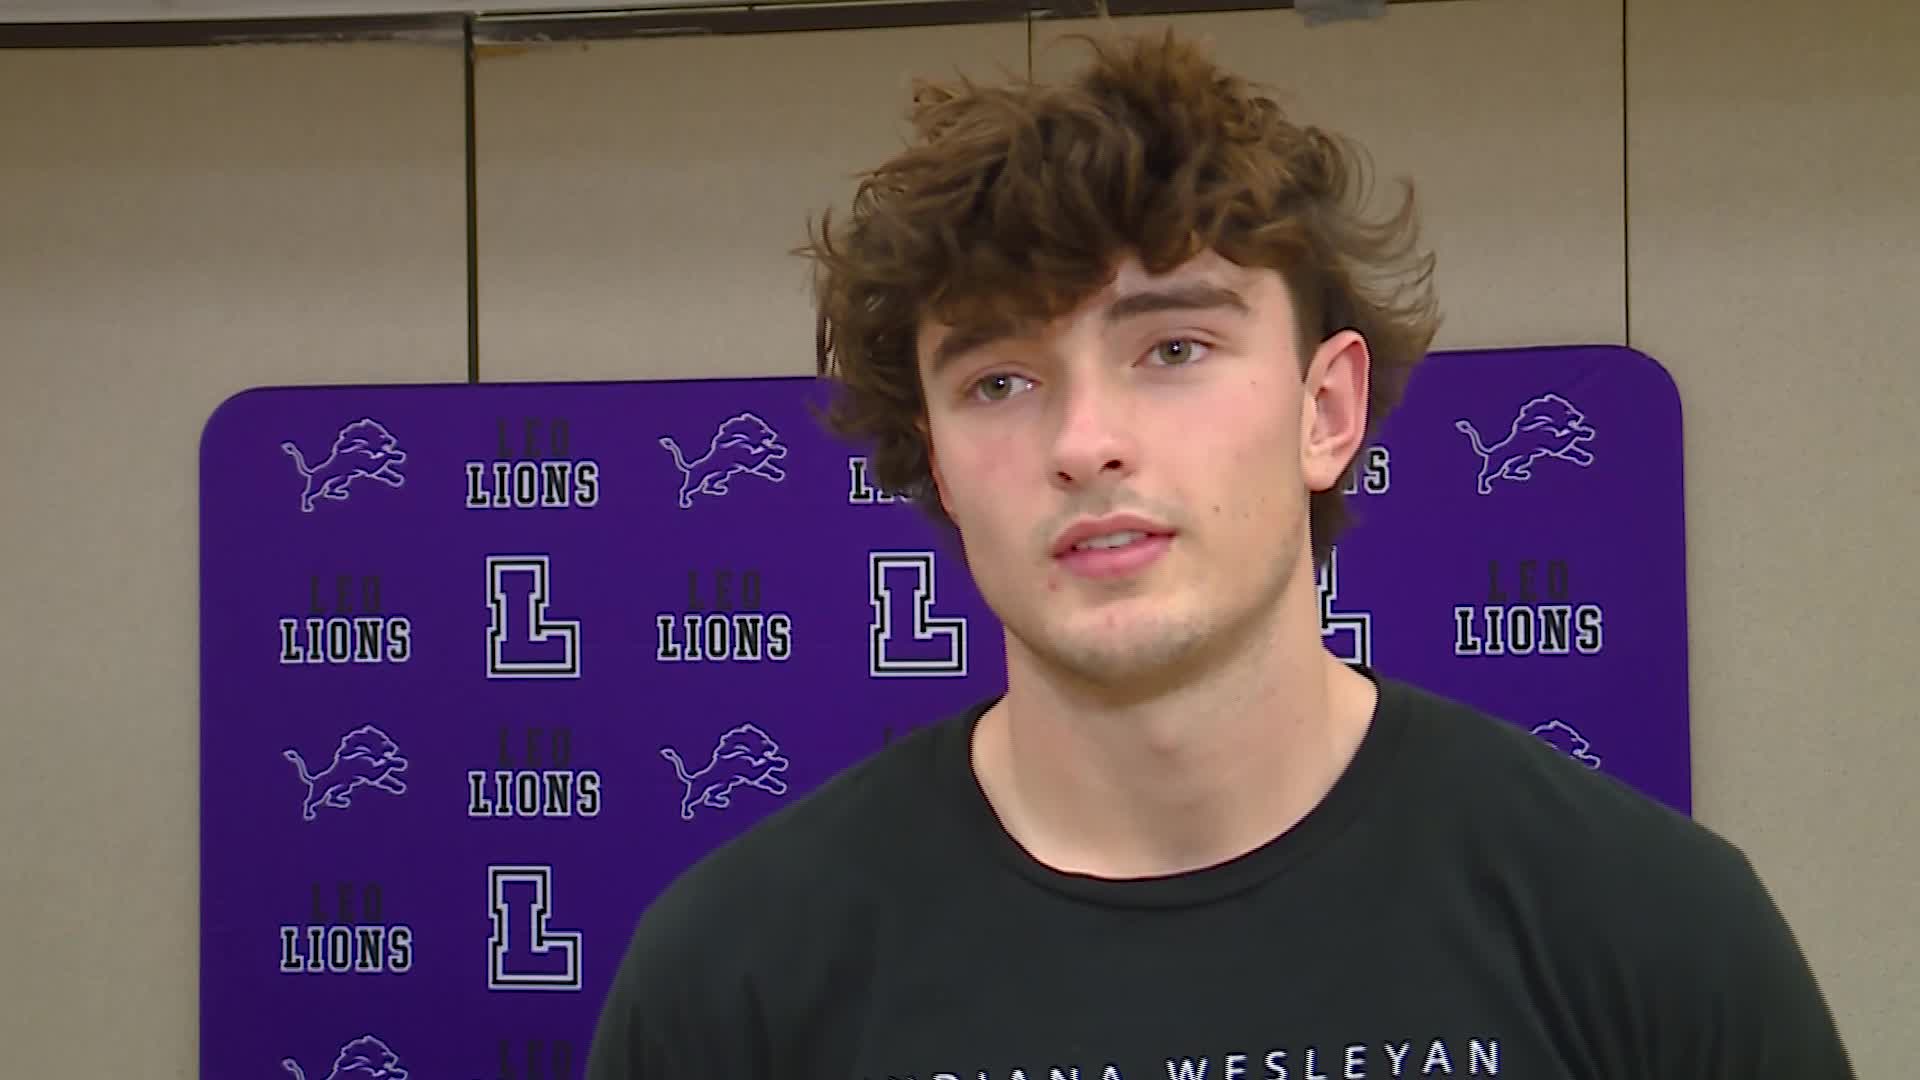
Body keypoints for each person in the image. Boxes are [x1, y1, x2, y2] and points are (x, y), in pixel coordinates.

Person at [585, 26, 1855, 1079]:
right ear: (936, 461)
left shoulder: (1651, 934)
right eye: (999, 380)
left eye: (1173, 349)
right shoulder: (734, 983)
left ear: (1326, 410)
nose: (1085, 442)